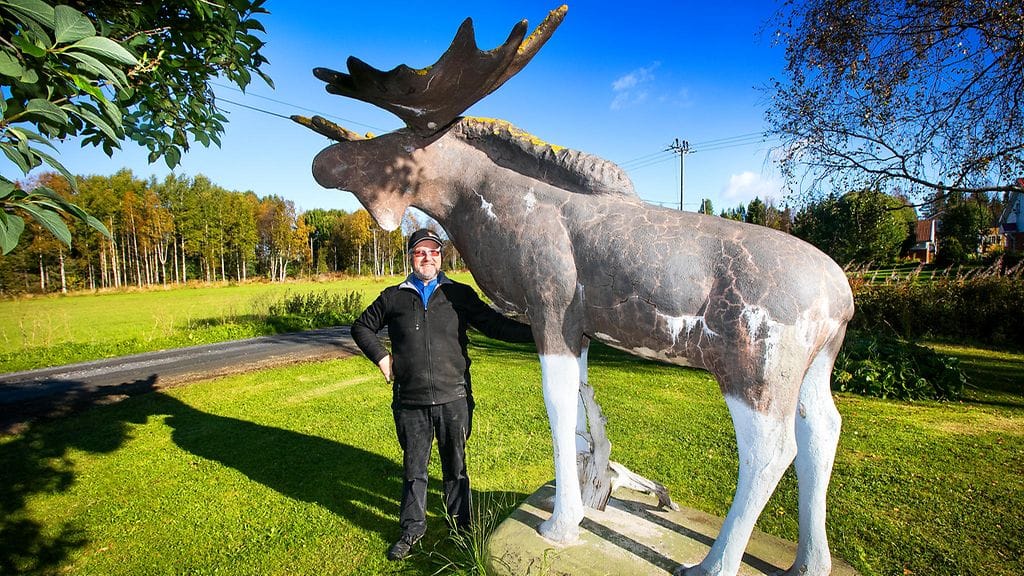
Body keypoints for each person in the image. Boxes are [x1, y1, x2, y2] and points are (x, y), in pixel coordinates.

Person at [350, 228, 533, 561]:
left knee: (456, 468)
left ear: (441, 257)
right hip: (410, 402)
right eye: (420, 252)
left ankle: (461, 528)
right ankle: (411, 529)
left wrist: (539, 334)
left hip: (454, 399)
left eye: (433, 252)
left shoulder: (458, 295)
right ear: (410, 257)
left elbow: (495, 325)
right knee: (414, 470)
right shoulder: (394, 297)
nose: (427, 258)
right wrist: (382, 357)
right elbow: (361, 327)